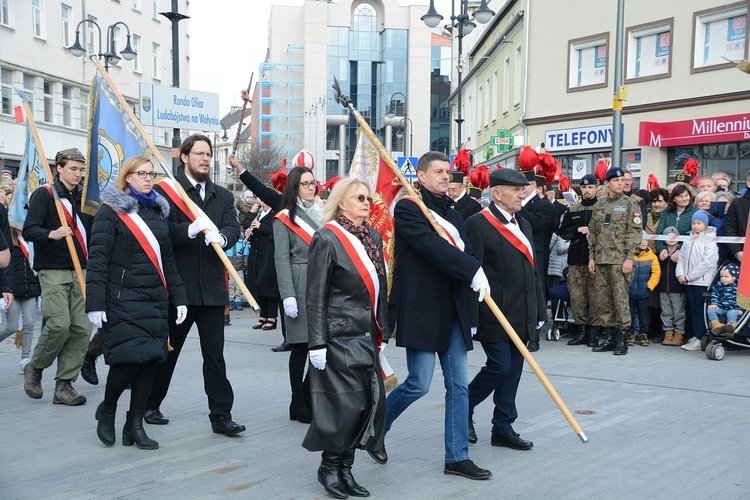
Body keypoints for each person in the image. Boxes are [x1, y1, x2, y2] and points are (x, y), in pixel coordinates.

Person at [386, 151, 492, 480]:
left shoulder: (454, 213)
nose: (447, 177)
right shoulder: (408, 208)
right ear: (420, 175)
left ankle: (457, 456)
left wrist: (475, 270)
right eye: (439, 172)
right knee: (418, 384)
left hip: (454, 309)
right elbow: (430, 246)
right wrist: (470, 268)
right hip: (423, 308)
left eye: (449, 172)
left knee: (458, 385)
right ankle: (375, 426)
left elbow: (467, 250)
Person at [145, 134, 244, 436]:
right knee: (168, 351)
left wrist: (223, 237)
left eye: (208, 154)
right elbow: (155, 229)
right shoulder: (167, 192)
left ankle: (221, 415)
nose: (205, 159)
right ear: (184, 157)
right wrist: (186, 230)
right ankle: (150, 403)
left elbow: (233, 227)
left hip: (212, 289)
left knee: (214, 355)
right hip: (180, 289)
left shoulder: (222, 195)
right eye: (199, 153)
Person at [85, 157, 187, 450]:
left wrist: (179, 297)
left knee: (151, 361)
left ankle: (135, 424)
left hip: (154, 299)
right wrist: (95, 303)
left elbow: (167, 261)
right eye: (141, 173)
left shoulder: (157, 213)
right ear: (127, 177)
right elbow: (98, 260)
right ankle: (107, 409)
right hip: (121, 299)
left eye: (151, 174)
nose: (147, 178)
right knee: (129, 359)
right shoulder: (110, 213)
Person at [303, 178, 388, 499]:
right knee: (344, 406)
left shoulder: (373, 237)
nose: (367, 202)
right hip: (339, 336)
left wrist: (385, 330)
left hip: (368, 334)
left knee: (365, 403)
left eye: (369, 198)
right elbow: (316, 294)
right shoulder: (327, 238)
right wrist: (317, 343)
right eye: (360, 198)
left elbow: (381, 289)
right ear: (342, 202)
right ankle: (330, 467)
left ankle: (346, 469)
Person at [465, 168, 546, 452]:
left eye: (523, 189)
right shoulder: (477, 223)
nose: (522, 193)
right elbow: (472, 272)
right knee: (500, 366)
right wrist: (473, 318)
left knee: (513, 371)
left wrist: (538, 311)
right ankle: (465, 407)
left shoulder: (522, 223)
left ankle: (503, 426)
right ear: (497, 193)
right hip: (494, 311)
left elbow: (532, 271)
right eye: (515, 189)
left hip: (521, 310)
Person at [22, 147, 93, 405]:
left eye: (81, 169)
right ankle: (36, 367)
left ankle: (64, 384)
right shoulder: (45, 195)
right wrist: (50, 234)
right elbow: (29, 230)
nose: (78, 174)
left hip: (82, 270)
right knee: (59, 324)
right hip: (53, 269)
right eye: (73, 169)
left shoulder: (86, 198)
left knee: (81, 328)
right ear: (59, 169)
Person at [588, 166, 643, 355]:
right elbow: (593, 233)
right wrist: (591, 257)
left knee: (620, 300)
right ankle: (609, 337)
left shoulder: (631, 204)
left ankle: (622, 338)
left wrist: (629, 257)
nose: (621, 183)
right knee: (603, 301)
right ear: (607, 183)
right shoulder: (600, 205)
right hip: (601, 259)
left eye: (623, 181)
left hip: (620, 260)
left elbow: (634, 233)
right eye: (617, 181)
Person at [518, 170, 557, 352]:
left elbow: (538, 224)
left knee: (535, 292)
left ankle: (534, 335)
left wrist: (519, 208)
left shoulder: (543, 205)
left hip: (536, 255)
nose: (519, 190)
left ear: (533, 186)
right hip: (517, 253)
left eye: (522, 185)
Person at [557, 174, 598, 346]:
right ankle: (581, 331)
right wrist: (576, 229)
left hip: (596, 259)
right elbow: (562, 231)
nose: (587, 190)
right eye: (584, 187)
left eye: (590, 187)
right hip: (575, 259)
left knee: (596, 297)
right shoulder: (573, 209)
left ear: (596, 188)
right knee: (577, 297)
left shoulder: (601, 208)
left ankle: (594, 332)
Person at [676, 210, 718, 351]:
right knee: (693, 308)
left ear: (705, 225)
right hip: (688, 280)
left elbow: (707, 262)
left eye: (698, 223)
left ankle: (701, 336)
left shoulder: (710, 240)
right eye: (693, 223)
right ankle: (695, 335)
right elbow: (681, 257)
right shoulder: (689, 239)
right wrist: (680, 274)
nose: (695, 226)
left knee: (700, 308)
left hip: (701, 281)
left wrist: (690, 275)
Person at [0, 228, 39, 374]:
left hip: (30, 289)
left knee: (29, 324)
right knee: (11, 326)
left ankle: (25, 361)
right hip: (12, 291)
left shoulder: (30, 244)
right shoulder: (7, 244)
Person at [246, 199, 281, 331]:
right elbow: (246, 224)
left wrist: (260, 227)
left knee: (268, 285)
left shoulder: (274, 214)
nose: (261, 202)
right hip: (256, 253)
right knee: (258, 284)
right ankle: (263, 315)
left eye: (263, 200)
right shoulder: (258, 214)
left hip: (268, 253)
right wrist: (249, 229)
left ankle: (272, 317)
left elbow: (275, 231)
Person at [627, 235, 660, 346]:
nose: (644, 242)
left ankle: (643, 334)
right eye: (641, 240)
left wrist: (649, 286)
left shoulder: (652, 257)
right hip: (630, 290)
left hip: (644, 291)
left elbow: (656, 273)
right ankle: (630, 334)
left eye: (646, 240)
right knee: (630, 313)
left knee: (643, 314)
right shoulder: (630, 256)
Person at [658, 226, 687, 346]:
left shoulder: (682, 251)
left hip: (678, 289)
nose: (671, 238)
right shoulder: (662, 252)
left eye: (674, 236)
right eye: (668, 236)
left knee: (679, 312)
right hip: (663, 288)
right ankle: (668, 332)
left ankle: (679, 333)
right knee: (666, 312)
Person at [707, 263, 744, 337]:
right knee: (710, 310)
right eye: (721, 277)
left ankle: (731, 326)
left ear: (734, 277)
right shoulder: (719, 285)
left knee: (732, 313)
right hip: (721, 308)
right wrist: (714, 304)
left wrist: (741, 309)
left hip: (733, 308)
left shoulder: (738, 287)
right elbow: (715, 295)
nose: (723, 279)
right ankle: (716, 324)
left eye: (726, 277)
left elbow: (742, 299)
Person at [723, 170, 750, 263]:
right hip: (744, 255)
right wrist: (737, 252)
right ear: (749, 184)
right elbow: (729, 228)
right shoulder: (738, 204)